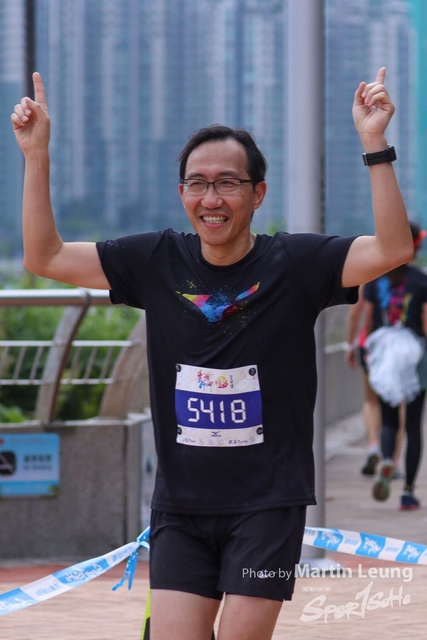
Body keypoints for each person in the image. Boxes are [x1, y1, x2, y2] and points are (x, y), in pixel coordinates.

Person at [11, 68, 413, 640]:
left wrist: (374, 142)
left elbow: (393, 249)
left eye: (228, 183)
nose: (211, 198)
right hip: (181, 509)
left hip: (268, 505)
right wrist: (37, 155)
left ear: (258, 193)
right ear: (182, 194)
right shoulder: (155, 261)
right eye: (197, 184)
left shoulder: (297, 265)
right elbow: (44, 257)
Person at [364, 222, 427, 511]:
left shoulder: (376, 280)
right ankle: (408, 492)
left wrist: (361, 350)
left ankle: (388, 459)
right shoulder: (421, 280)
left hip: (383, 353)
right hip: (414, 354)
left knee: (389, 419)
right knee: (413, 425)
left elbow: (368, 321)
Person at [345, 285, 405, 477]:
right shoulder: (410, 277)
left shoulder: (369, 279)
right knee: (398, 404)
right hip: (400, 348)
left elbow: (356, 314)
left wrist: (350, 345)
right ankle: (392, 460)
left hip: (370, 346)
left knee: (371, 401)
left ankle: (373, 445)